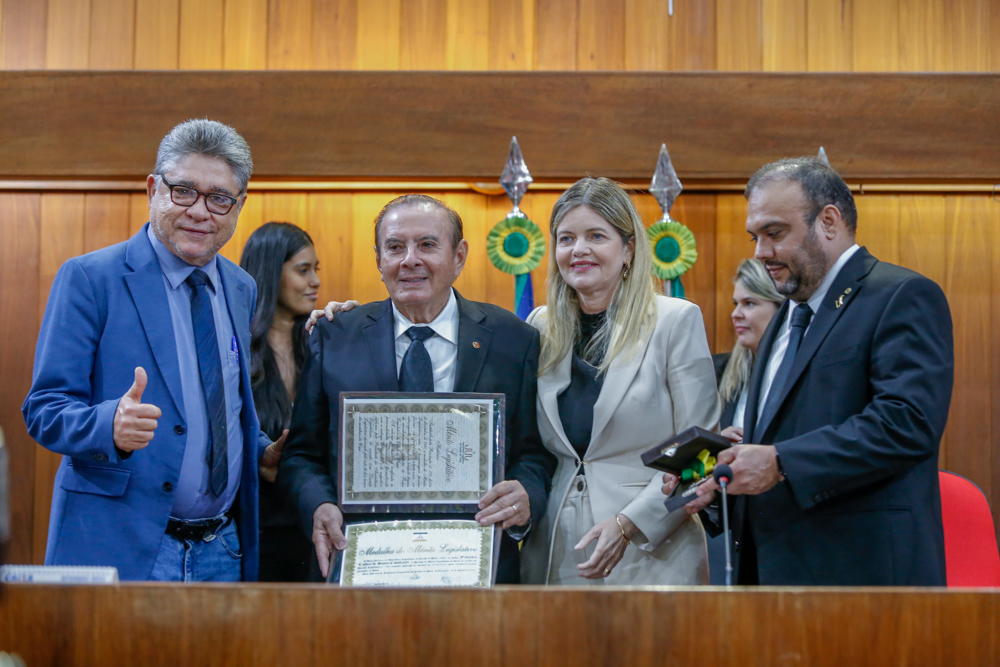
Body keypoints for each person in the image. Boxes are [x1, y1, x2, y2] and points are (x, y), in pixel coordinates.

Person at [22, 119, 280, 582]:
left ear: (239, 206)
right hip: (126, 544)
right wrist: (109, 426)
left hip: (223, 547)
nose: (200, 211)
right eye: (184, 191)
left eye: (219, 198)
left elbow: (221, 403)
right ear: (153, 190)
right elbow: (43, 409)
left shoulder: (241, 286)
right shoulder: (90, 279)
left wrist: (260, 450)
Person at [676, 157, 953, 585]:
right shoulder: (786, 316)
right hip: (771, 575)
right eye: (755, 236)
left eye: (775, 233)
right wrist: (721, 475)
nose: (761, 253)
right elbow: (779, 438)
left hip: (862, 576)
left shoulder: (901, 295)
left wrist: (781, 461)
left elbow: (907, 422)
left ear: (828, 221)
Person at [277, 194, 557, 583]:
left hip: (476, 565)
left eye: (427, 245)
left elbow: (535, 454)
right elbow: (301, 456)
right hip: (363, 564)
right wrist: (319, 504)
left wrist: (526, 493)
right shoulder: (336, 334)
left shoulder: (514, 339)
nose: (410, 259)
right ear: (378, 260)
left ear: (459, 256)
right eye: (395, 247)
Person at [519, 177, 721, 585]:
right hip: (556, 552)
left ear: (628, 249)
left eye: (597, 236)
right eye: (566, 238)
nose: (579, 250)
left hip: (653, 550)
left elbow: (701, 448)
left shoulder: (675, 320)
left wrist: (629, 523)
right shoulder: (539, 326)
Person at [240, 222, 322, 582]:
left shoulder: (323, 342)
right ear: (272, 272)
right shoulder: (235, 347)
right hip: (253, 525)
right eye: (303, 270)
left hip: (312, 521)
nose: (315, 281)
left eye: (316, 270)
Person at [707, 258, 783, 584]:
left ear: (782, 309)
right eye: (736, 303)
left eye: (750, 303)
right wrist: (713, 443)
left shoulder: (800, 376)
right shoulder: (715, 372)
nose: (736, 313)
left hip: (782, 530)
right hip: (724, 532)